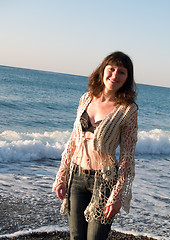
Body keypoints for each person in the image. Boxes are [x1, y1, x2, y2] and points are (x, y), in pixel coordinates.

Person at [53, 51, 138, 240]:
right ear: (102, 71)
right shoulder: (86, 98)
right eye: (112, 69)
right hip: (76, 177)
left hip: (104, 180)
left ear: (127, 77)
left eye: (122, 72)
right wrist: (62, 175)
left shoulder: (127, 110)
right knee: (76, 236)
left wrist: (117, 195)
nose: (115, 75)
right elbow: (73, 140)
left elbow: (127, 156)